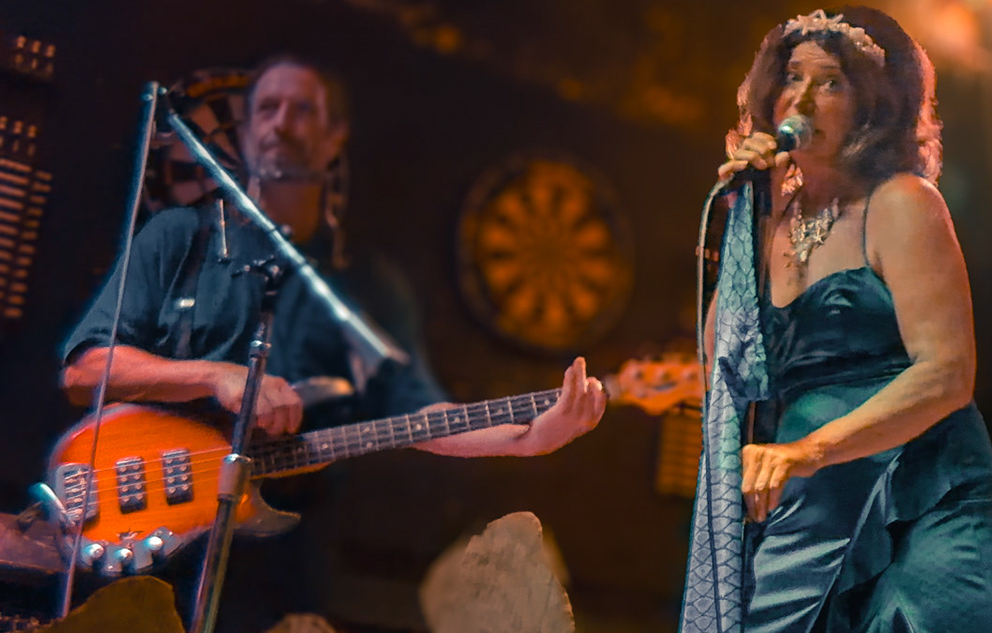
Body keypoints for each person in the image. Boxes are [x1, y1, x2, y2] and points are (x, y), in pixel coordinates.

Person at [59, 54, 606, 629]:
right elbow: (84, 370)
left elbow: (423, 417)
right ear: (245, 130)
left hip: (276, 581)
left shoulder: (365, 287)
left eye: (302, 110)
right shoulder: (178, 238)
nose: (281, 124)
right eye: (267, 109)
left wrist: (529, 440)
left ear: (334, 135)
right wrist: (213, 375)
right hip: (134, 545)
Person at [700, 7, 992, 632]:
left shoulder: (902, 203)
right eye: (792, 77)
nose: (802, 98)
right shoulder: (767, 221)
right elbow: (721, 369)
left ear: (872, 105)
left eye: (832, 83)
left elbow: (947, 373)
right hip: (808, 500)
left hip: (915, 486)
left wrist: (809, 450)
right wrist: (749, 213)